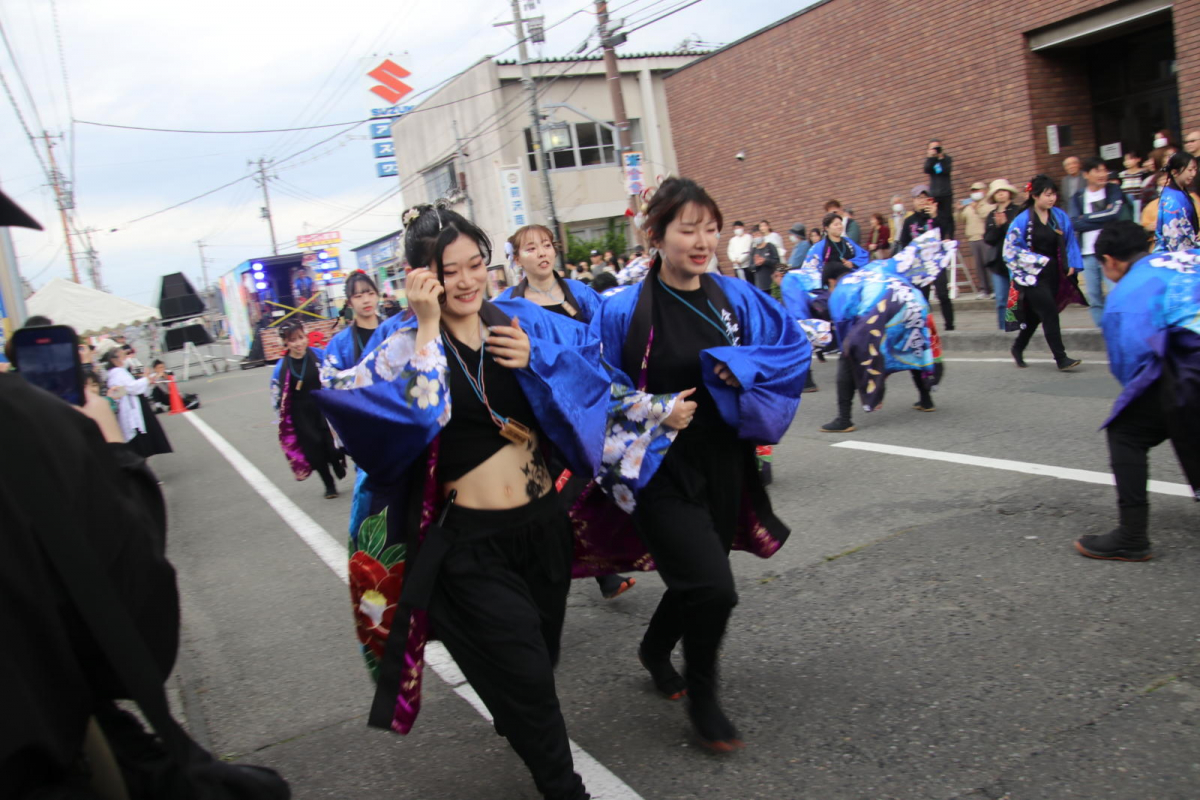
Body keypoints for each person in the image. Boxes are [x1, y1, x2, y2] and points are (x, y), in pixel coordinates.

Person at [314, 204, 614, 800]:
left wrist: (538, 362)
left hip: (543, 527)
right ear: (420, 277)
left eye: (476, 264)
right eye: (448, 271)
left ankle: (516, 713)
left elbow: (593, 378)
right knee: (529, 675)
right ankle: (565, 788)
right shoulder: (400, 345)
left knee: (538, 656)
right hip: (469, 545)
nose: (467, 280)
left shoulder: (520, 323)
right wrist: (428, 329)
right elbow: (380, 419)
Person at [586, 177, 808, 753]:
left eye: (711, 228)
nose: (703, 241)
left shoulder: (736, 298)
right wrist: (657, 409)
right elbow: (589, 385)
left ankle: (655, 649)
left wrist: (746, 366)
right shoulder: (622, 310)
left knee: (700, 572)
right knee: (714, 587)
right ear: (656, 236)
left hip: (725, 463)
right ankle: (704, 696)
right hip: (656, 470)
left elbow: (792, 347)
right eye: (688, 229)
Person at [498, 223, 637, 601]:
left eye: (546, 245)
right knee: (560, 490)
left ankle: (602, 569)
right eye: (531, 248)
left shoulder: (581, 293)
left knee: (594, 483)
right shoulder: (509, 304)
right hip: (542, 407)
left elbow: (608, 335)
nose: (542, 253)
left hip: (588, 401)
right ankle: (548, 573)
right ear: (517, 259)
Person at [1075, 221, 1199, 561]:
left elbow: (1132, 365)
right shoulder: (1190, 257)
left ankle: (1131, 536)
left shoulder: (1125, 295)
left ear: (1109, 261)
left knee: (1127, 431)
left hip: (1192, 365)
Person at [1002, 175, 1086, 371]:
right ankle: (1061, 358)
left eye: (1053, 194)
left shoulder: (1059, 216)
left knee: (1035, 317)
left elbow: (1070, 241)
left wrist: (1072, 263)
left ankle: (1018, 347)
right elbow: (1010, 249)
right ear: (1035, 196)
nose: (1052, 198)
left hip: (1054, 272)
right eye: (1047, 195)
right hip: (1032, 275)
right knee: (1049, 312)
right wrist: (1035, 261)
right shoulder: (1022, 219)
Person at [271, 319, 345, 499]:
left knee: (332, 444)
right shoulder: (281, 368)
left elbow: (335, 373)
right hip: (300, 414)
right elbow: (277, 396)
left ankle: (336, 461)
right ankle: (329, 484)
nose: (298, 343)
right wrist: (282, 418)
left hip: (322, 407)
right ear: (285, 343)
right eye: (293, 340)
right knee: (314, 450)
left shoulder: (318, 355)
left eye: (301, 337)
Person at [1068, 157, 1133, 326]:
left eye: (1104, 170)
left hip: (1110, 251)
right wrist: (1102, 219)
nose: (1102, 174)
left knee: (1115, 292)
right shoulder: (1078, 196)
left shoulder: (1113, 190)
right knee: (1094, 297)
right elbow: (1074, 222)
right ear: (1086, 174)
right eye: (1097, 171)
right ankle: (1103, 331)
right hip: (1088, 253)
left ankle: (1119, 328)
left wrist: (1085, 218)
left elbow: (1114, 214)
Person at [900, 188, 955, 330]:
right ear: (913, 201)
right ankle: (928, 328)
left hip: (936, 261)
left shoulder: (936, 216)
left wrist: (935, 216)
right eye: (918, 198)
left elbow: (946, 232)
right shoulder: (909, 221)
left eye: (925, 197)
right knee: (922, 297)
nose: (922, 201)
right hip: (919, 264)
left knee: (943, 293)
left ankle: (950, 326)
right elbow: (904, 242)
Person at [104, 346, 173, 459]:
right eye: (123, 356)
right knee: (138, 439)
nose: (126, 358)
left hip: (134, 403)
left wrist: (145, 380)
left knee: (142, 437)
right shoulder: (117, 372)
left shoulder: (121, 371)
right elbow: (130, 388)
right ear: (114, 360)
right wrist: (145, 380)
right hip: (131, 407)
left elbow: (125, 389)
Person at [323, 271, 384, 372]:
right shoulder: (340, 342)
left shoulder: (394, 331)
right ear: (349, 303)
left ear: (377, 296)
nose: (366, 300)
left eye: (371, 294)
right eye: (358, 296)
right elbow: (331, 376)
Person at [796, 212, 869, 293]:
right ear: (827, 228)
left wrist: (853, 263)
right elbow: (809, 269)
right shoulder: (819, 247)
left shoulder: (848, 242)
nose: (839, 226)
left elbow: (863, 255)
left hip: (853, 281)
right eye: (836, 225)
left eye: (840, 224)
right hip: (831, 287)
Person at [983, 179, 1021, 331]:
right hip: (997, 262)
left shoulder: (1018, 211)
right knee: (1001, 299)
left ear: (1009, 193)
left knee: (1016, 298)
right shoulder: (991, 215)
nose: (1001, 194)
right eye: (997, 192)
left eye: (1003, 191)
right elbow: (988, 239)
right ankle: (1003, 330)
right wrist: (998, 227)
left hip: (1016, 261)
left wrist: (1005, 225)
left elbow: (1019, 235)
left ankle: (1016, 328)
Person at [1153, 151, 1200, 253]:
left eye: (1195, 170)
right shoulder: (1172, 200)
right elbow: (1174, 237)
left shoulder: (1179, 193)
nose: (1193, 174)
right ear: (1174, 172)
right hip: (1174, 253)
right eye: (1190, 170)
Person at [958, 181, 994, 297]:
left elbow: (986, 216)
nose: (975, 193)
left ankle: (993, 289)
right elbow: (960, 220)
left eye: (978, 190)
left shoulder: (989, 205)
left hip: (984, 238)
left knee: (988, 263)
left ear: (984, 191)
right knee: (979, 266)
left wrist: (977, 208)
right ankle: (983, 289)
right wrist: (959, 209)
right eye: (973, 191)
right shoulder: (968, 206)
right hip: (972, 239)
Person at [923, 140, 955, 239]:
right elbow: (927, 169)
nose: (935, 150)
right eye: (932, 148)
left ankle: (949, 237)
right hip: (934, 194)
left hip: (946, 193)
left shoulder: (946, 158)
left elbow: (945, 170)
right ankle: (936, 236)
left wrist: (941, 158)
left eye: (937, 147)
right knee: (934, 216)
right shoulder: (930, 160)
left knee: (948, 217)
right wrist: (931, 157)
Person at [1118, 151, 1147, 217]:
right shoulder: (1122, 175)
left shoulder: (1144, 172)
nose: (1127, 162)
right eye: (1125, 160)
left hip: (1140, 201)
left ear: (1138, 159)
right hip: (1127, 202)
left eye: (1130, 159)